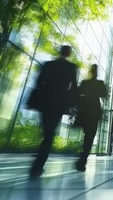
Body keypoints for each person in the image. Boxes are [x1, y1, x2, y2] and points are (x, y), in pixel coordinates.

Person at [30, 45, 78, 178]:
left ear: (60, 52)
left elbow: (39, 82)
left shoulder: (48, 65)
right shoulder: (71, 67)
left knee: (46, 131)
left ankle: (37, 164)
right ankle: (38, 165)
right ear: (68, 54)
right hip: (59, 103)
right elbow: (73, 87)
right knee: (49, 134)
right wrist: (72, 105)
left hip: (45, 101)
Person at [75, 64, 107, 171]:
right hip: (94, 111)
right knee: (90, 136)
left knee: (86, 135)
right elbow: (104, 94)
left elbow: (78, 93)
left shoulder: (85, 83)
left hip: (84, 110)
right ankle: (82, 159)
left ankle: (82, 156)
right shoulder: (100, 83)